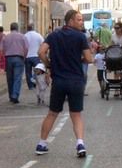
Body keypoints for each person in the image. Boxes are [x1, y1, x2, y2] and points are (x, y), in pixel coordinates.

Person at [35, 9, 93, 158]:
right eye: (79, 20)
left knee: (53, 113)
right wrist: (79, 59)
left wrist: (49, 65)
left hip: (59, 80)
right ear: (71, 21)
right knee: (76, 114)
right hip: (75, 80)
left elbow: (41, 52)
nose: (82, 22)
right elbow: (89, 58)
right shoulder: (81, 37)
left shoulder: (53, 35)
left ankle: (42, 143)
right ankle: (80, 143)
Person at [1, 22, 27, 104]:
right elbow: (26, 48)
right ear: (17, 28)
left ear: (10, 28)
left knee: (10, 78)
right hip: (19, 58)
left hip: (8, 58)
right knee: (17, 78)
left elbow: (1, 49)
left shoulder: (6, 37)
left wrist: (4, 56)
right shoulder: (22, 36)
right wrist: (24, 56)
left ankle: (11, 95)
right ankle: (15, 95)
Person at [23, 23, 44, 90]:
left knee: (28, 72)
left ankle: (30, 86)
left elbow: (23, 46)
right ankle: (36, 81)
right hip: (36, 56)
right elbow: (43, 44)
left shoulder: (25, 36)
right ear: (33, 28)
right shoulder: (38, 35)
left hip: (27, 57)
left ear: (27, 28)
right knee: (38, 71)